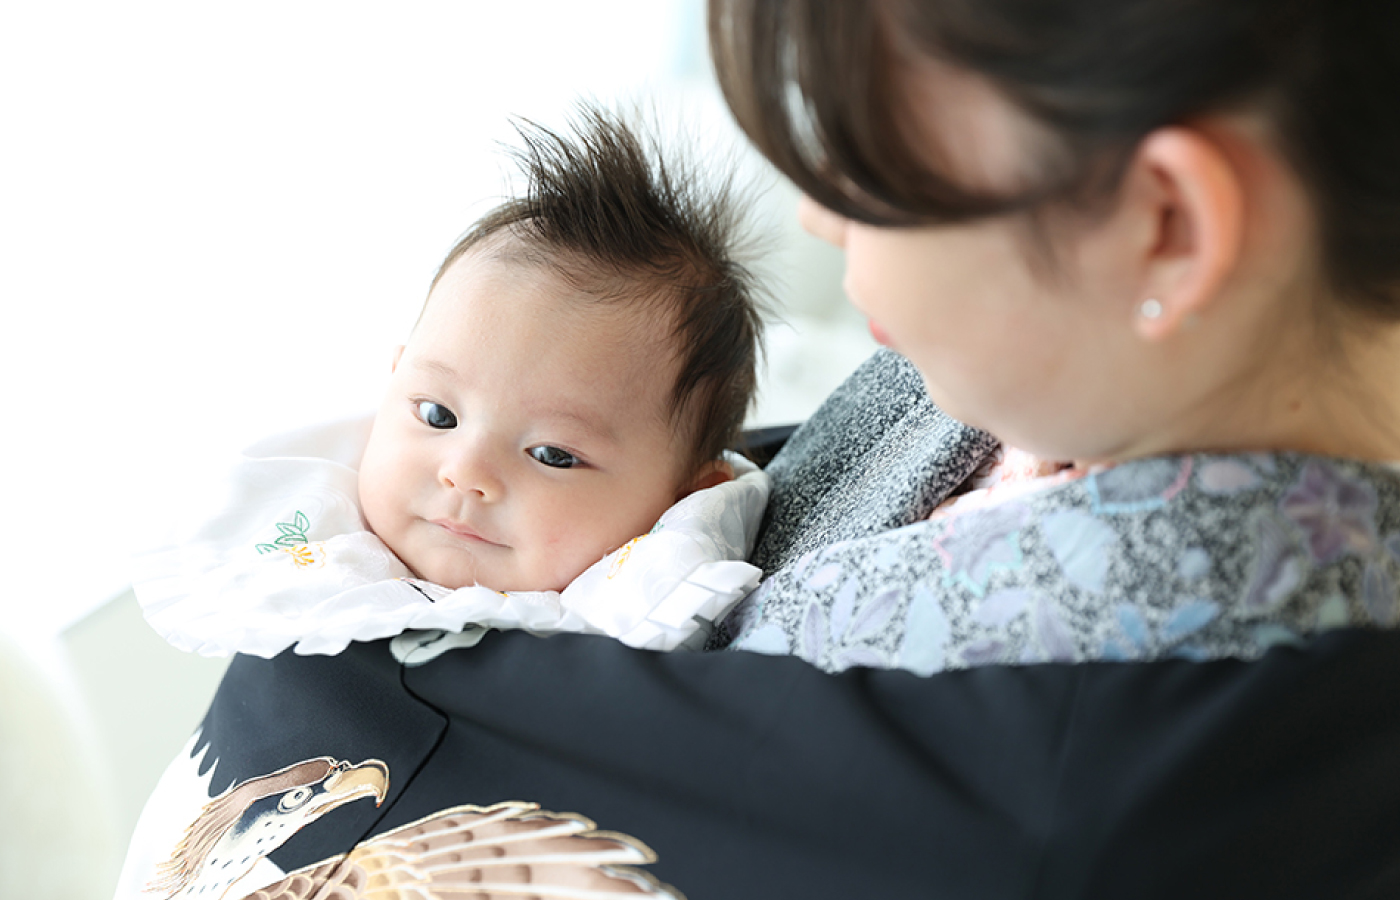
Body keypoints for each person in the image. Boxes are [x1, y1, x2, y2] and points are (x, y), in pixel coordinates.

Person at [116, 2, 1400, 898]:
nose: (818, 218)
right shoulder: (1046, 388)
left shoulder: (1126, 753)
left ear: (1161, 226)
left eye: (865, 168)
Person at [127, 107, 770, 665]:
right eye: (437, 414)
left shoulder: (637, 619)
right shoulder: (315, 542)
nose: (465, 473)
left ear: (682, 498)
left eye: (552, 454)